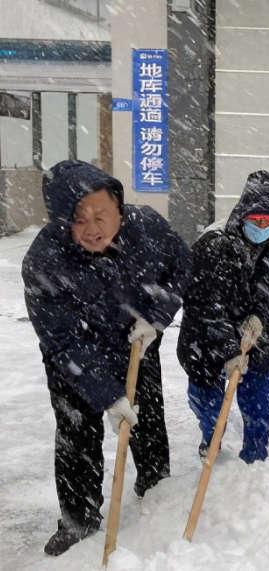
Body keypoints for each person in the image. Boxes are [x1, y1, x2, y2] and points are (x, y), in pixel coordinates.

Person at [22, 160, 190, 556]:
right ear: (63, 222)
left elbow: (182, 266)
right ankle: (78, 520)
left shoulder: (147, 228)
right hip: (76, 359)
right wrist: (107, 394)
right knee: (77, 435)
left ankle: (157, 491)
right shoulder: (44, 260)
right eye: (78, 220)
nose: (92, 228)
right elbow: (60, 338)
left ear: (119, 206)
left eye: (101, 214)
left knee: (147, 421)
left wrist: (157, 316)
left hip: (136, 342)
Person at [177, 171, 269, 464]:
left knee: (260, 405)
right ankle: (212, 444)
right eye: (256, 220)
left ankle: (254, 460)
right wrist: (228, 351)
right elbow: (204, 303)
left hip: (259, 337)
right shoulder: (215, 243)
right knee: (209, 406)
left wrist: (261, 315)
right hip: (206, 339)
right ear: (243, 214)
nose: (261, 227)